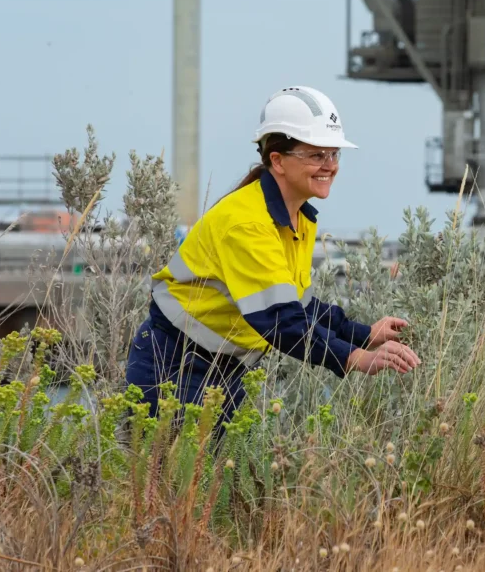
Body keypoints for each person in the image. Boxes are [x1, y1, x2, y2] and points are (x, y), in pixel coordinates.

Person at [125, 85, 421, 422]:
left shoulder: (299, 217)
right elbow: (280, 321)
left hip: (222, 370)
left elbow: (301, 305)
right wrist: (354, 358)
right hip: (173, 365)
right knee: (169, 473)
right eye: (316, 155)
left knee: (222, 473)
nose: (330, 166)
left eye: (334, 154)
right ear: (277, 160)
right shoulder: (247, 223)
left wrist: (364, 334)